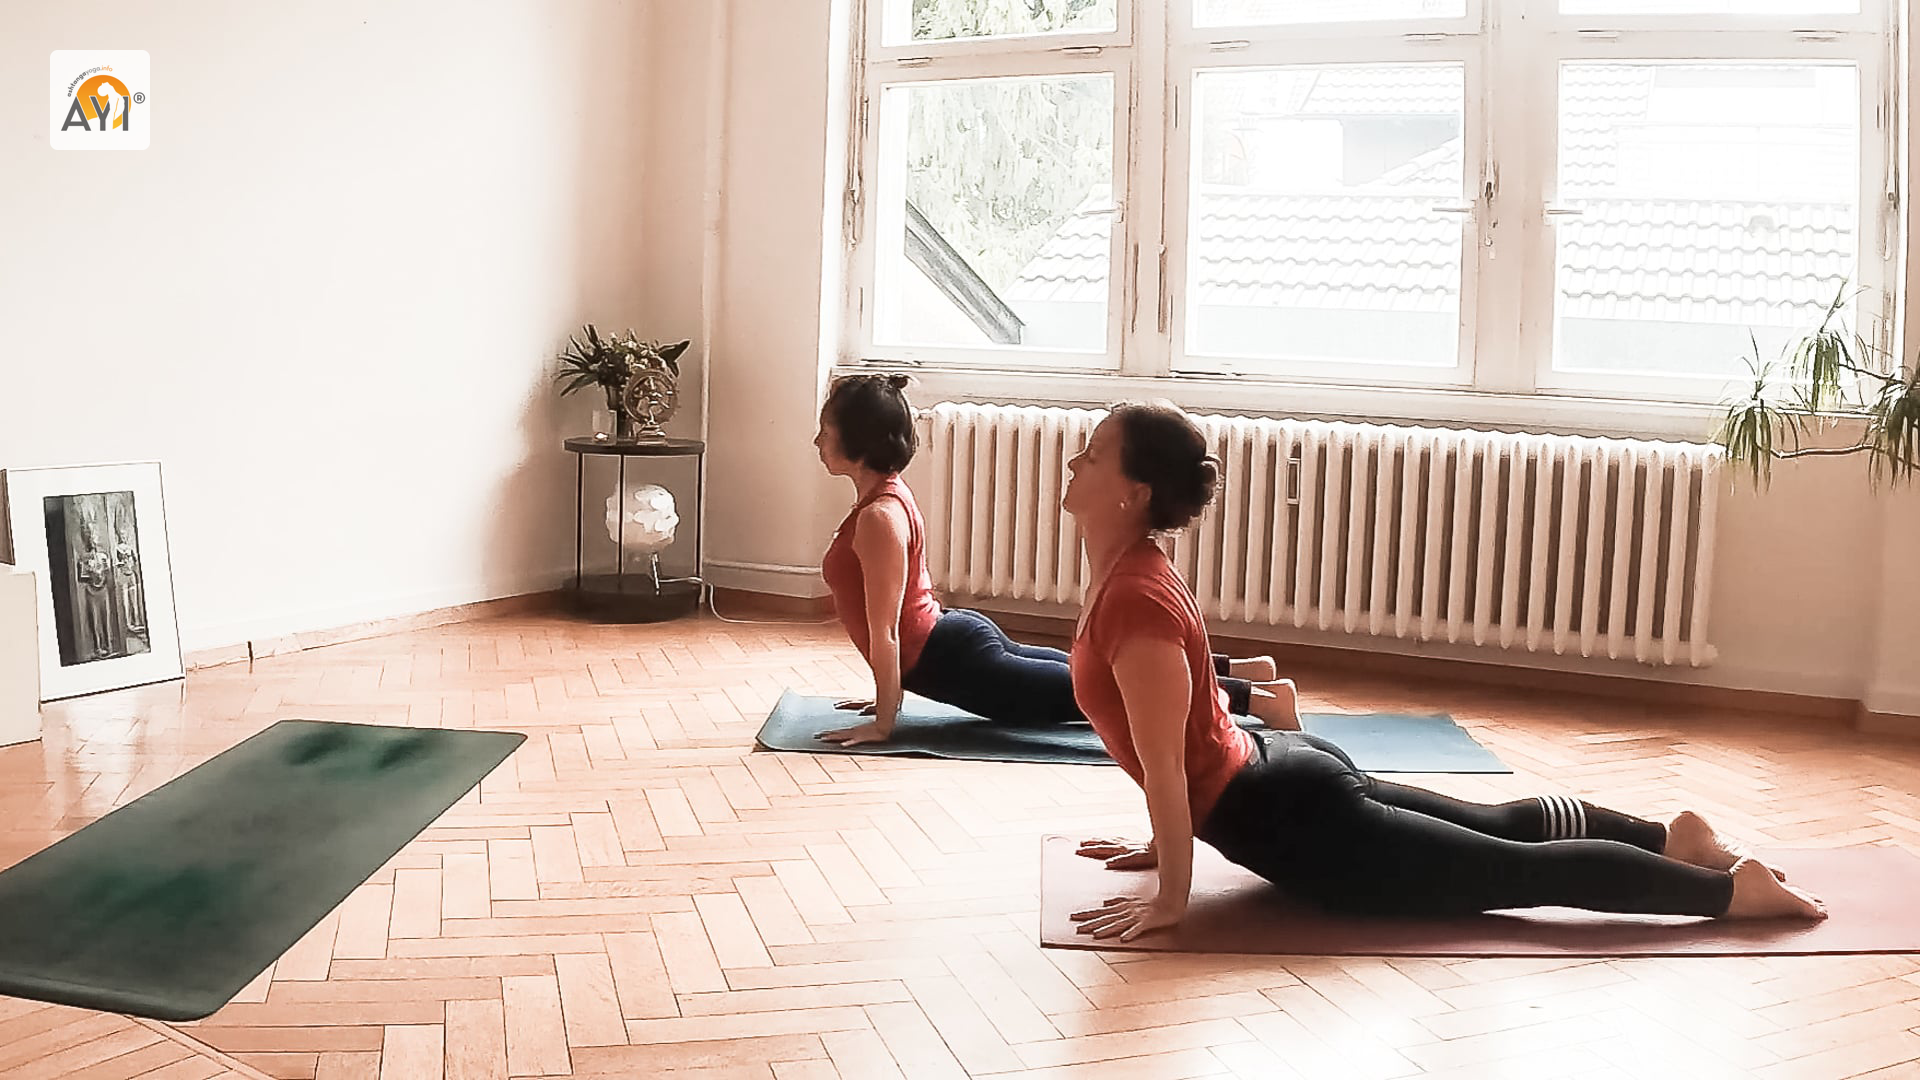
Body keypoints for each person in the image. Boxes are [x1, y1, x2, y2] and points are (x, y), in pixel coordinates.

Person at [1060, 401, 1826, 942]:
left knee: (1517, 872)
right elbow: (1182, 734)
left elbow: (1168, 765)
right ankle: (1671, 838)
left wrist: (1172, 896)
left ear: (1135, 493)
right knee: (1497, 830)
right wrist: (1164, 843)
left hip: (1292, 821)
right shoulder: (1133, 570)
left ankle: (1731, 893)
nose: (1073, 460)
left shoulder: (1135, 600)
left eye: (1092, 454)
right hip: (1280, 777)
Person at [813, 374, 1300, 747]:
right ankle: (1245, 670)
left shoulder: (879, 517)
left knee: (1111, 690)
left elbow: (886, 630)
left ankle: (1260, 701)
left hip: (957, 663)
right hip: (953, 643)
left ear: (857, 440)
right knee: (1097, 670)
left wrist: (885, 722)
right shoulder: (884, 500)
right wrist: (886, 695)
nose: (818, 442)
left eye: (825, 431)